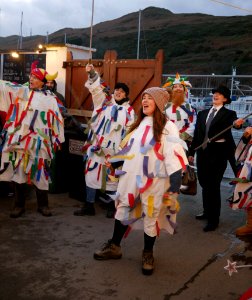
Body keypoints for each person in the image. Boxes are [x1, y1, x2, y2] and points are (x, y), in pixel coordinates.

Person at [93, 87, 188, 275]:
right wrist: (115, 161)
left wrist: (175, 185)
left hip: (153, 182)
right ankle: (114, 246)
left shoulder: (168, 127)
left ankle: (148, 254)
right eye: (143, 97)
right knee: (122, 210)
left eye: (149, 98)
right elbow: (129, 149)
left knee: (151, 216)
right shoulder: (136, 124)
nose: (144, 101)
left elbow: (174, 157)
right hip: (129, 178)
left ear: (159, 103)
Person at [0, 61, 65, 218]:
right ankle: (18, 205)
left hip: (40, 143)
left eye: (35, 78)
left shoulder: (51, 99)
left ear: (42, 82)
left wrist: (58, 138)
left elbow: (57, 120)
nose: (31, 79)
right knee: (19, 172)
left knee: (41, 173)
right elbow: (5, 86)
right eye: (31, 76)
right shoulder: (21, 91)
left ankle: (43, 205)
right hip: (20, 141)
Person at [73, 64, 135, 218]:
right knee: (91, 175)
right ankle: (89, 205)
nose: (119, 92)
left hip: (114, 151)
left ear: (126, 95)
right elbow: (96, 90)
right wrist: (92, 73)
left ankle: (111, 206)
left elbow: (129, 132)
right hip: (97, 148)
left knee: (113, 179)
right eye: (117, 90)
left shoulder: (129, 111)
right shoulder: (104, 103)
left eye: (122, 91)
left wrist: (123, 152)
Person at [188, 85, 244, 232]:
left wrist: (237, 124)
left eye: (219, 94)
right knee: (205, 185)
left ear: (225, 99)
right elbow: (197, 136)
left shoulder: (229, 113)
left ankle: (214, 220)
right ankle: (207, 212)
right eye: (215, 93)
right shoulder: (202, 113)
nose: (216, 95)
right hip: (203, 154)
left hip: (218, 156)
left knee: (213, 187)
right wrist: (190, 153)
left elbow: (235, 124)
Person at [228, 126, 252, 236]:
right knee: (248, 193)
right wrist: (246, 137)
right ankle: (250, 225)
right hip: (249, 168)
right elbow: (241, 153)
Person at [163, 73, 196, 146]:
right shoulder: (164, 107)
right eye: (175, 87)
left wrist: (181, 137)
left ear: (184, 90)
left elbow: (192, 124)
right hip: (166, 141)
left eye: (180, 86)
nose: (178, 89)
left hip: (182, 142)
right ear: (171, 90)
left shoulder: (189, 107)